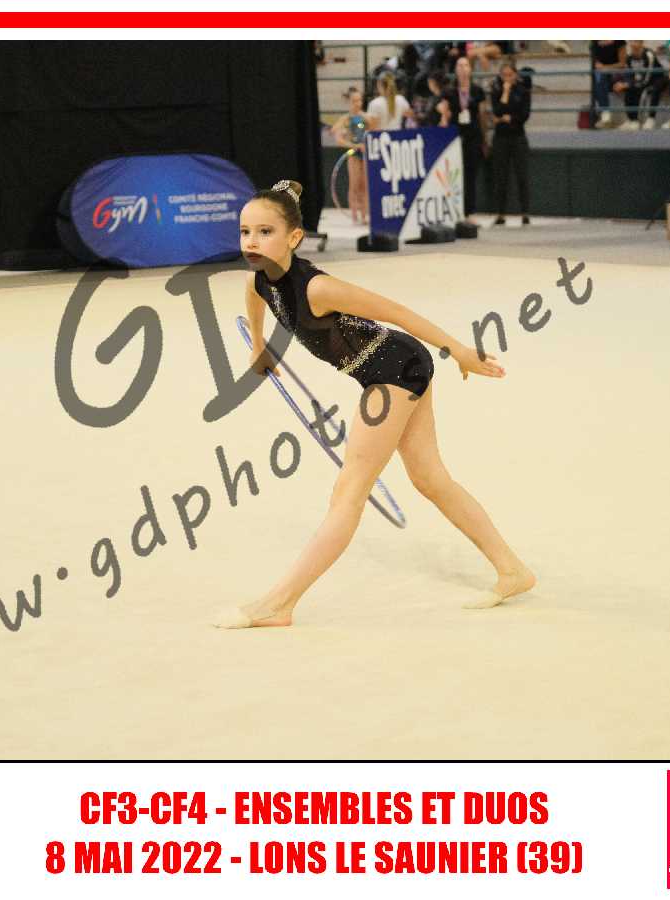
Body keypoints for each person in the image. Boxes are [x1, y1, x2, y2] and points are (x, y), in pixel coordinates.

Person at [219, 180, 535, 628]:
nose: (251, 242)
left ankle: (279, 604)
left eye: (265, 232)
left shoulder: (318, 288)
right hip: (387, 370)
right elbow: (255, 296)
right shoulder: (259, 278)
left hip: (395, 369)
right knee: (430, 478)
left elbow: (397, 312)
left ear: (294, 237)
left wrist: (460, 351)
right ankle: (512, 570)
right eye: (245, 232)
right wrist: (258, 346)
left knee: (349, 490)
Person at [439, 56, 489, 225]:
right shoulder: (449, 92)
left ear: (470, 69)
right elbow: (444, 113)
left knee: (470, 174)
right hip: (455, 136)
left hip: (473, 135)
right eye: (459, 65)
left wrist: (484, 138)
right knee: (454, 174)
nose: (462, 68)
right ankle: (454, 210)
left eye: (465, 65)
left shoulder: (477, 91)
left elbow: (482, 115)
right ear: (455, 70)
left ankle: (469, 211)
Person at [489, 59, 531, 226]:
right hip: (501, 138)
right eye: (504, 75)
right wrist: (505, 93)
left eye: (510, 75)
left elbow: (524, 114)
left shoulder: (523, 91)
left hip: (518, 136)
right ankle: (501, 213)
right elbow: (497, 111)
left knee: (522, 175)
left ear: (515, 75)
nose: (507, 78)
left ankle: (525, 212)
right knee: (501, 176)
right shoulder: (496, 90)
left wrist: (510, 118)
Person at [331, 87, 370, 224]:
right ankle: (354, 215)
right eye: (354, 101)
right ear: (349, 102)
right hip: (353, 154)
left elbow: (373, 132)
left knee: (365, 185)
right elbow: (337, 137)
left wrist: (365, 144)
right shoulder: (346, 119)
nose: (358, 103)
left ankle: (364, 215)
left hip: (365, 153)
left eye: (360, 100)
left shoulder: (366, 117)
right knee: (355, 185)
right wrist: (352, 143)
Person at [614, 40, 668, 130]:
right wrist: (623, 84)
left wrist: (630, 84)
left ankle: (650, 119)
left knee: (649, 90)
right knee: (629, 91)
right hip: (640, 80)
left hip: (656, 79)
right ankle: (632, 120)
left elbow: (647, 77)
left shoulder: (649, 55)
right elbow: (629, 75)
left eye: (636, 42)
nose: (633, 45)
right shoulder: (629, 57)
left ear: (641, 43)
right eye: (631, 42)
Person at [590, 39, 627, 128]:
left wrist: (606, 67)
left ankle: (605, 112)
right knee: (597, 77)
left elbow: (622, 64)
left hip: (617, 73)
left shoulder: (619, 40)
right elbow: (595, 61)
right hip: (602, 74)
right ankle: (605, 113)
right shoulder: (595, 40)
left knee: (600, 76)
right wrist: (599, 66)